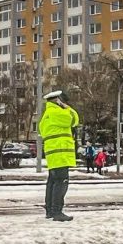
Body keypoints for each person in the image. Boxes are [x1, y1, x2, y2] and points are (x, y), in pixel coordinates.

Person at [38, 90, 80, 221]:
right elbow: (74, 120)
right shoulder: (58, 112)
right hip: (60, 152)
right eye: (63, 101)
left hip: (53, 153)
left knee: (52, 181)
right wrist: (67, 107)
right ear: (58, 100)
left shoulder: (46, 115)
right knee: (61, 182)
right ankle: (57, 211)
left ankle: (50, 210)